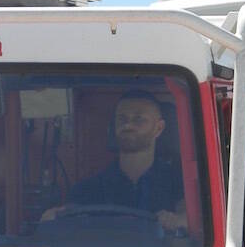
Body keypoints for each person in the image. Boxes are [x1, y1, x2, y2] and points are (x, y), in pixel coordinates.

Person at [51, 91, 186, 231]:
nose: (127, 125)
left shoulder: (179, 184)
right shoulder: (88, 188)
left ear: (159, 128)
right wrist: (53, 218)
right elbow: (67, 220)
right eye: (122, 119)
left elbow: (189, 217)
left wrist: (179, 220)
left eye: (138, 119)